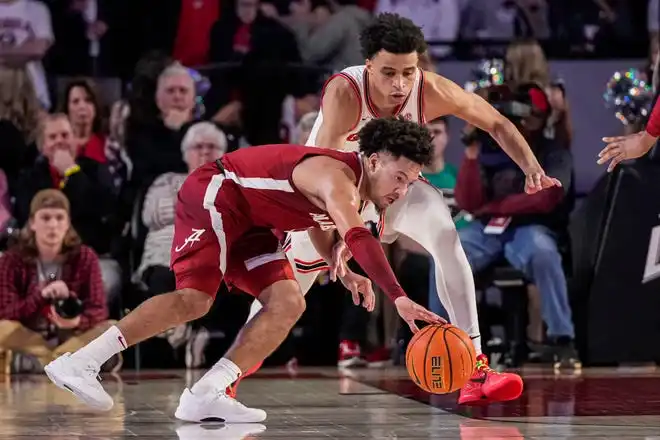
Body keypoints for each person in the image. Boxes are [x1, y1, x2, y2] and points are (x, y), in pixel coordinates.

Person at [241, 12, 560, 407]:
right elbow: (323, 175)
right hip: (332, 196)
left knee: (447, 236)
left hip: (394, 188)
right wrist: (341, 231)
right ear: (368, 65)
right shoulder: (344, 92)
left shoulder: (429, 89)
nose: (400, 84)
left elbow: (496, 122)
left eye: (408, 72)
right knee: (285, 300)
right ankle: (228, 376)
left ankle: (476, 366)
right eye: (389, 73)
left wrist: (531, 167)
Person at [44, 117, 444, 422]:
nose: (402, 190)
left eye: (411, 182)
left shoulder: (353, 188)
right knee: (195, 300)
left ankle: (207, 393)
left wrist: (343, 270)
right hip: (216, 193)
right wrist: (400, 297)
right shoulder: (337, 178)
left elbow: (317, 224)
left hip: (252, 222)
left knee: (288, 302)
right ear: (373, 161)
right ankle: (81, 362)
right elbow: (356, 235)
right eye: (399, 177)